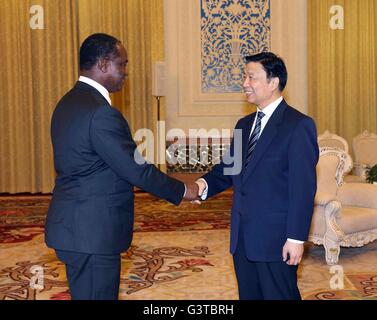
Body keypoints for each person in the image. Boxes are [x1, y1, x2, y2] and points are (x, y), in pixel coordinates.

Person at [45, 33, 199, 300]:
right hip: (92, 234)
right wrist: (184, 189)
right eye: (122, 64)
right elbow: (136, 169)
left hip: (74, 228)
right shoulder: (101, 113)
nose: (125, 72)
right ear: (104, 64)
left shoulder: (67, 102)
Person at [195, 52, 319, 300]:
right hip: (243, 237)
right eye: (244, 76)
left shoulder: (298, 125)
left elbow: (303, 188)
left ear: (273, 82)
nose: (244, 83)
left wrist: (296, 238)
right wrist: (203, 184)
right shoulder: (244, 124)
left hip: (276, 239)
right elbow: (229, 168)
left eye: (251, 77)